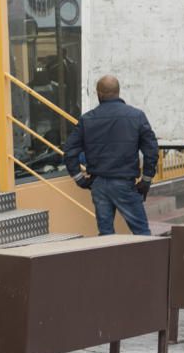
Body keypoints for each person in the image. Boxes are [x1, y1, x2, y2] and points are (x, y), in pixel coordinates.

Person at [64, 75, 159, 235]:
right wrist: (146, 179)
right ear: (118, 92)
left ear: (99, 94)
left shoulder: (87, 119)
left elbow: (69, 151)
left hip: (98, 184)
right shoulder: (136, 116)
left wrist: (79, 179)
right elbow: (151, 149)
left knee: (106, 235)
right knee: (142, 233)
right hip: (124, 183)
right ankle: (148, 260)